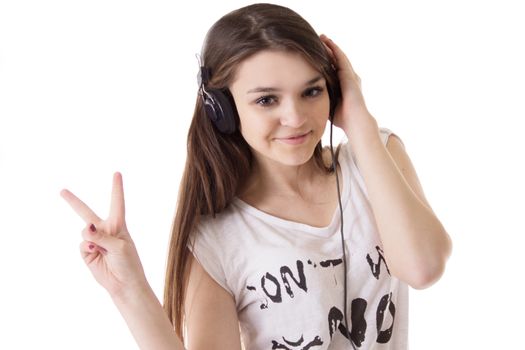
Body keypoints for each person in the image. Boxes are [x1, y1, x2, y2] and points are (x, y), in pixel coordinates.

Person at [60, 3, 452, 350]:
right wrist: (128, 291)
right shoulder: (216, 237)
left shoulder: (376, 157)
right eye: (267, 100)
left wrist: (360, 121)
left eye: (312, 91)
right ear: (222, 109)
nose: (295, 117)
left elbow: (422, 267)